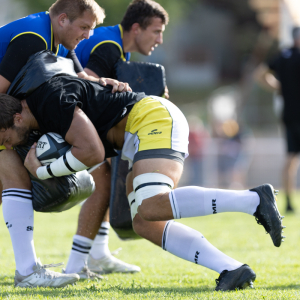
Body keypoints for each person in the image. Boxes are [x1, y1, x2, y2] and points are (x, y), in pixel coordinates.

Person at [0, 53, 285, 291]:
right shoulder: (36, 113)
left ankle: (253, 200)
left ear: (15, 118)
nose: (6, 146)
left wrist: (43, 171)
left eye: (3, 139)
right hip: (135, 136)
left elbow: (93, 153)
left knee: (151, 204)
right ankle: (231, 269)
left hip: (150, 118)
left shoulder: (48, 100)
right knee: (144, 222)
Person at [0, 0, 131, 287]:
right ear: (62, 20)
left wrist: (105, 82)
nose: (88, 35)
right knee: (15, 177)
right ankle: (27, 273)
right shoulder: (35, 37)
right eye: (84, 27)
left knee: (10, 182)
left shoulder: (57, 41)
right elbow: (1, 93)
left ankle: (27, 271)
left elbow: (79, 75)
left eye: (91, 29)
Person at [65, 0, 169, 275]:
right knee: (102, 184)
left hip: (71, 118)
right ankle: (75, 266)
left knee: (106, 181)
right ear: (136, 28)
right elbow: (85, 79)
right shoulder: (108, 45)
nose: (160, 39)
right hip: (59, 117)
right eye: (156, 31)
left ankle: (98, 254)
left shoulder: (117, 48)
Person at [254, 26, 300, 213]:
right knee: (291, 160)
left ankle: (289, 203)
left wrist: (278, 87)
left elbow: (260, 74)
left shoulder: (283, 56)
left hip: (289, 114)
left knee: (291, 159)